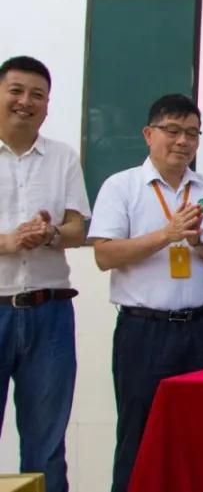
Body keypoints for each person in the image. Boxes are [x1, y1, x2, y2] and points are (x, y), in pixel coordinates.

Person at [88, 94, 203, 492]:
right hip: (144, 331)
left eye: (192, 133)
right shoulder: (121, 186)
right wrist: (166, 235)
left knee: (201, 435)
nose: (183, 141)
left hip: (200, 329)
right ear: (148, 134)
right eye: (172, 130)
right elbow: (104, 255)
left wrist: (198, 240)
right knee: (138, 435)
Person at [0, 56, 90, 492]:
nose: (26, 101)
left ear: (48, 104)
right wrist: (7, 242)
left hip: (49, 312)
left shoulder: (62, 157)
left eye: (37, 95)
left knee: (47, 445)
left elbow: (78, 228)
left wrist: (50, 233)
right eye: (16, 91)